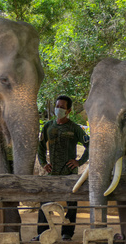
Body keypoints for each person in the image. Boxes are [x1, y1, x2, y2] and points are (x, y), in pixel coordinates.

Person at [32, 95, 90, 242]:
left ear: (68, 110)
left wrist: (79, 162)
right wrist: (44, 163)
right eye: (57, 106)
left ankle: (67, 233)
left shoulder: (75, 128)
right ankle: (42, 233)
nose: (58, 109)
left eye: (62, 107)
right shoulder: (48, 127)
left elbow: (90, 145)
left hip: (69, 174)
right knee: (44, 202)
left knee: (72, 203)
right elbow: (40, 147)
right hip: (52, 173)